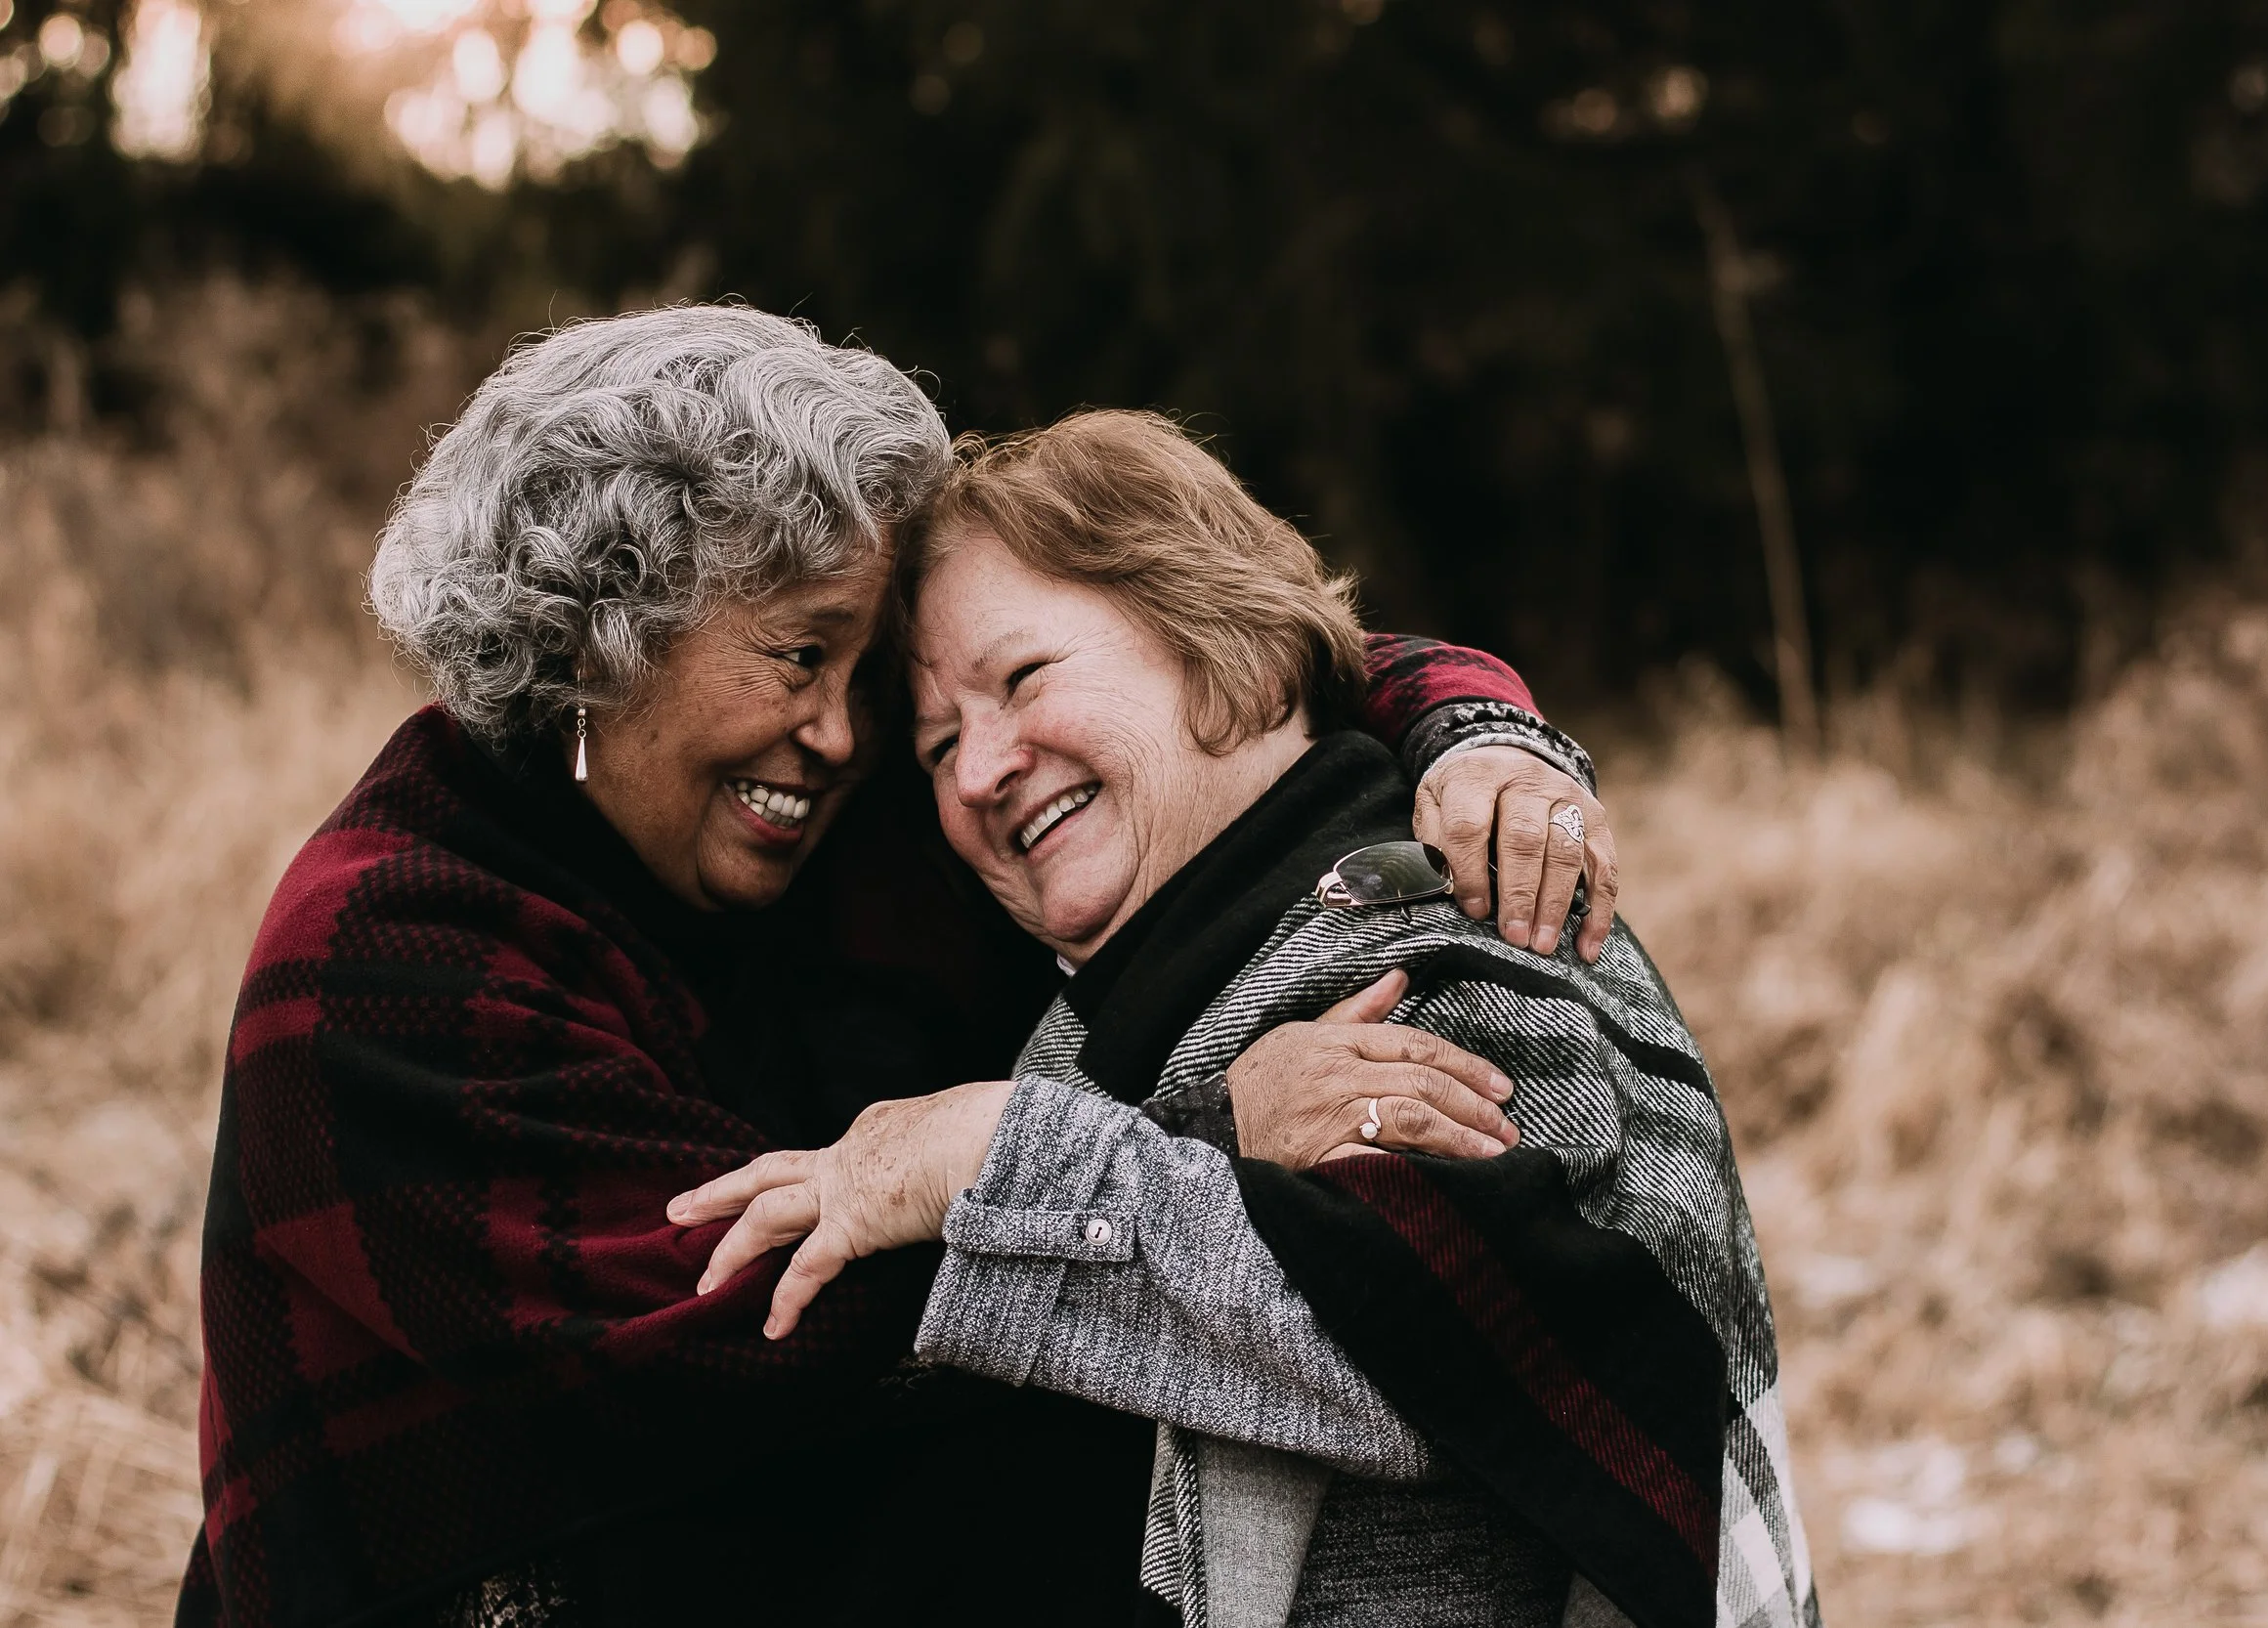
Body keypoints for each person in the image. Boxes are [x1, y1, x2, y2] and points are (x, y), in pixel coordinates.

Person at [179, 307, 1620, 1628]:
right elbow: (759, 1328)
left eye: (865, 676)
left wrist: (1476, 727)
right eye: (798, 655)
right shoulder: (383, 963)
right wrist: (1210, 1138)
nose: (843, 734)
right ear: (599, 644)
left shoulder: (832, 807)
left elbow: (1236, 644)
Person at [679, 409, 1816, 1628]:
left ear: (1238, 654)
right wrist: (1197, 1131)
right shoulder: (1127, 1000)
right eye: (941, 740)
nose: (976, 772)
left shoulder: (1452, 924)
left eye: (1023, 680)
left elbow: (1480, 1350)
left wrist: (982, 1158)